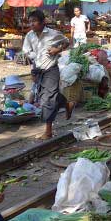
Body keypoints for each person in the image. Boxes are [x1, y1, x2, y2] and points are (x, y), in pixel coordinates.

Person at [22, 10, 75, 139]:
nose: (32, 24)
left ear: (42, 22)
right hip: (38, 69)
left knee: (47, 99)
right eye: (30, 21)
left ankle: (48, 131)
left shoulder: (53, 34)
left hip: (51, 69)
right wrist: (34, 67)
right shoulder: (29, 36)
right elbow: (27, 52)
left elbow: (67, 42)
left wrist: (57, 49)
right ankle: (67, 104)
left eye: (34, 21)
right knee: (48, 96)